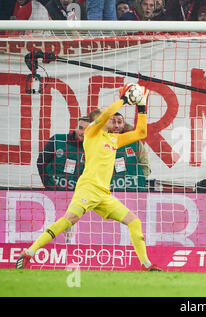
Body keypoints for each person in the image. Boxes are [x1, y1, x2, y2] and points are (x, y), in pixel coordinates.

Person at [16, 83, 162, 272]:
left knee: (134, 221)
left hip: (103, 194)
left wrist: (141, 107)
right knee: (69, 219)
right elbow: (105, 116)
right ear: (98, 120)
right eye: (104, 114)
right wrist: (123, 100)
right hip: (87, 188)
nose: (110, 116)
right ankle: (28, 253)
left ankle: (146, 265)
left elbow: (141, 133)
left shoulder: (114, 139)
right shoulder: (92, 133)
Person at [37, 116, 91, 191]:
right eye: (80, 128)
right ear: (75, 128)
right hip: (54, 191)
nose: (82, 133)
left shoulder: (94, 148)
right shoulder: (58, 140)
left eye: (87, 130)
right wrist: (48, 184)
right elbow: (41, 161)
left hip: (79, 194)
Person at [108, 112, 151, 191]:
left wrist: (139, 181)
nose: (116, 126)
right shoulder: (101, 142)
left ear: (124, 124)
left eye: (119, 122)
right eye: (113, 122)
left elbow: (145, 164)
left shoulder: (135, 141)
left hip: (135, 190)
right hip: (110, 190)